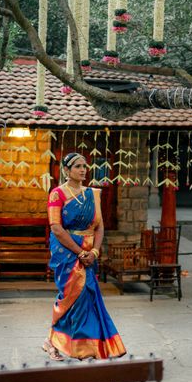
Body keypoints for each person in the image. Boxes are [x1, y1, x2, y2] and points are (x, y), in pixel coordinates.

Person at [42, 152, 126, 361]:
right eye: (78, 166)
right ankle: (54, 341)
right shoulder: (57, 194)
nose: (83, 170)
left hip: (89, 253)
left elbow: (99, 226)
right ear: (66, 170)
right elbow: (56, 228)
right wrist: (79, 252)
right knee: (69, 297)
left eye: (84, 166)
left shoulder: (93, 194)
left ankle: (83, 346)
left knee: (85, 298)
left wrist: (94, 252)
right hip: (67, 253)